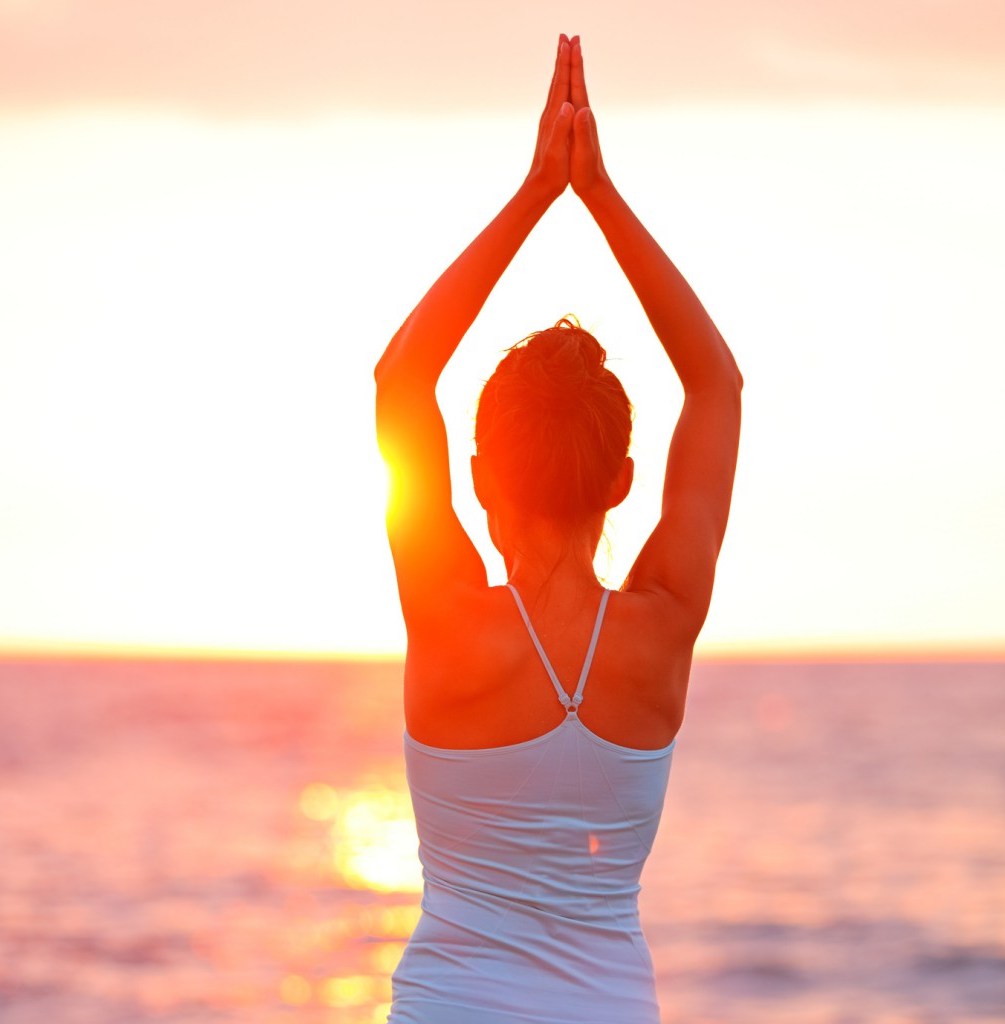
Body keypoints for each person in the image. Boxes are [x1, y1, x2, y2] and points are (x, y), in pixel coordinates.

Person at [374, 34, 742, 1024]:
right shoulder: (661, 625)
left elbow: (400, 380)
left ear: (481, 476)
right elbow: (716, 385)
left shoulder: (448, 621)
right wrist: (598, 194)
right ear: (623, 480)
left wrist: (539, 189)